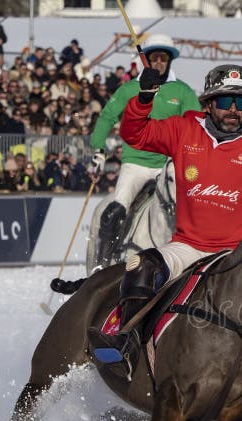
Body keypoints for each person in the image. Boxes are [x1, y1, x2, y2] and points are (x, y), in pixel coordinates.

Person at [88, 63, 242, 372]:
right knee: (141, 267)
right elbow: (134, 133)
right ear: (208, 103)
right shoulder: (184, 128)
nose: (234, 109)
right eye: (225, 101)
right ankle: (124, 340)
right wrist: (144, 99)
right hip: (189, 246)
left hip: (240, 252)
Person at [88, 34, 200, 270]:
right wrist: (99, 148)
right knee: (115, 210)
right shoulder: (129, 89)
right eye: (155, 57)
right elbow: (107, 117)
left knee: (195, 208)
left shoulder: (182, 91)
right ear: (146, 60)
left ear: (169, 61)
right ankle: (102, 266)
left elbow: (195, 123)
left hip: (169, 164)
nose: (159, 62)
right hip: (136, 164)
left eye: (163, 58)